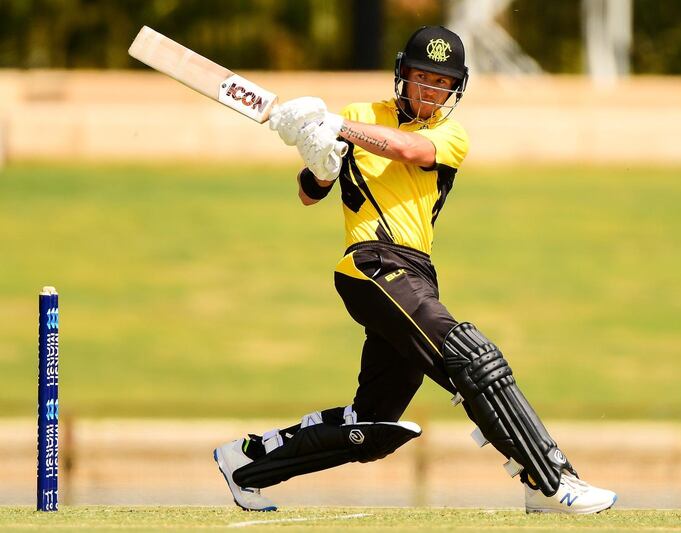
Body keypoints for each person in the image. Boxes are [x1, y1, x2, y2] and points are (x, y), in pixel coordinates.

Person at [213, 25, 617, 515]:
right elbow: (309, 191)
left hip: (416, 272)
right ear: (402, 75)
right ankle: (549, 480)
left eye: (441, 85)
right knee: (473, 357)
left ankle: (247, 462)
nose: (429, 92)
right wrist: (318, 161)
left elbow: (407, 150)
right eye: (422, 78)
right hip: (370, 264)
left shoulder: (448, 135)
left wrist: (334, 126)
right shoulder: (362, 115)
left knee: (372, 426)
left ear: (455, 91)